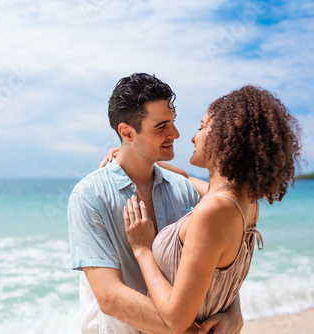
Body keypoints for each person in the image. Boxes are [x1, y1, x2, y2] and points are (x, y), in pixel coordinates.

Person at [68, 73, 244, 333]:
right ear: (127, 132)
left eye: (173, 122)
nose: (175, 133)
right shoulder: (89, 196)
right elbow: (110, 298)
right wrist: (191, 332)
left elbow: (216, 265)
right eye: (161, 126)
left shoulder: (184, 189)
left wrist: (233, 314)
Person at [121, 85, 302, 333]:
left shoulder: (214, 212)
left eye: (202, 127)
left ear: (226, 136)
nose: (193, 137)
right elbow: (184, 176)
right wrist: (127, 154)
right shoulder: (245, 203)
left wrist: (142, 250)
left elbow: (176, 320)